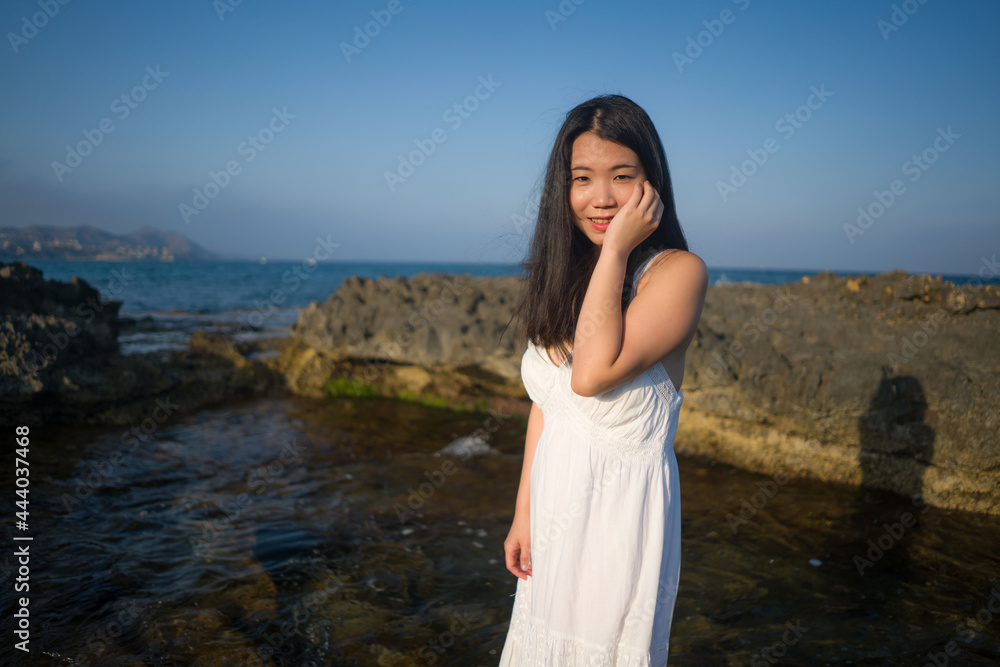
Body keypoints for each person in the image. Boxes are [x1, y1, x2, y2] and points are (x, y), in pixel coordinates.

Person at [498, 94, 708, 666]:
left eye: (622, 176)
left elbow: (589, 376)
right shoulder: (568, 276)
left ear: (651, 181)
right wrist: (525, 514)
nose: (601, 197)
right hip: (554, 515)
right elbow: (549, 402)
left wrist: (616, 246)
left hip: (618, 524)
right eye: (582, 178)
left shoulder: (676, 274)